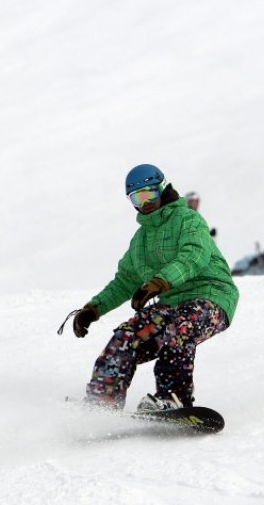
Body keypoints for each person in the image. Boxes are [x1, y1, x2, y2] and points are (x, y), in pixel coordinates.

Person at [62, 164, 239, 412]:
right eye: (137, 197)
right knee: (127, 335)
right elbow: (124, 280)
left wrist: (159, 282)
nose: (144, 203)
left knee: (181, 326)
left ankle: (173, 397)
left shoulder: (188, 219)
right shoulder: (141, 240)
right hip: (171, 304)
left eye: (149, 194)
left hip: (210, 296)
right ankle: (103, 401)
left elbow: (194, 256)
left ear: (162, 188)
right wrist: (93, 309)